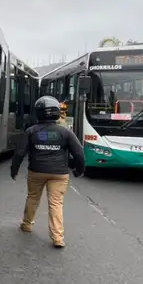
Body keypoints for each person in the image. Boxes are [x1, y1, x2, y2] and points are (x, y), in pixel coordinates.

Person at [10, 95, 85, 248]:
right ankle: (57, 237)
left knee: (32, 198)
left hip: (36, 171)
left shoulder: (31, 131)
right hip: (59, 174)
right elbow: (79, 153)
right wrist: (79, 170)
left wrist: (14, 170)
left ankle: (27, 224)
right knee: (56, 204)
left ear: (38, 112)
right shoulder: (65, 132)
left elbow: (19, 153)